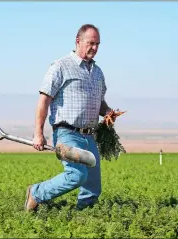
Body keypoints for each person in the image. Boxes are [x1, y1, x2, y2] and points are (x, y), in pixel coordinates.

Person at [24, 24, 121, 211]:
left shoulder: (98, 72)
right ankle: (36, 193)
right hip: (67, 133)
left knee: (92, 187)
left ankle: (85, 218)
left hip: (89, 135)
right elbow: (43, 100)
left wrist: (108, 112)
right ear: (78, 41)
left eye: (98, 44)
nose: (95, 47)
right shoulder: (60, 66)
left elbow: (99, 102)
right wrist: (38, 133)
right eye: (91, 43)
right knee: (76, 175)